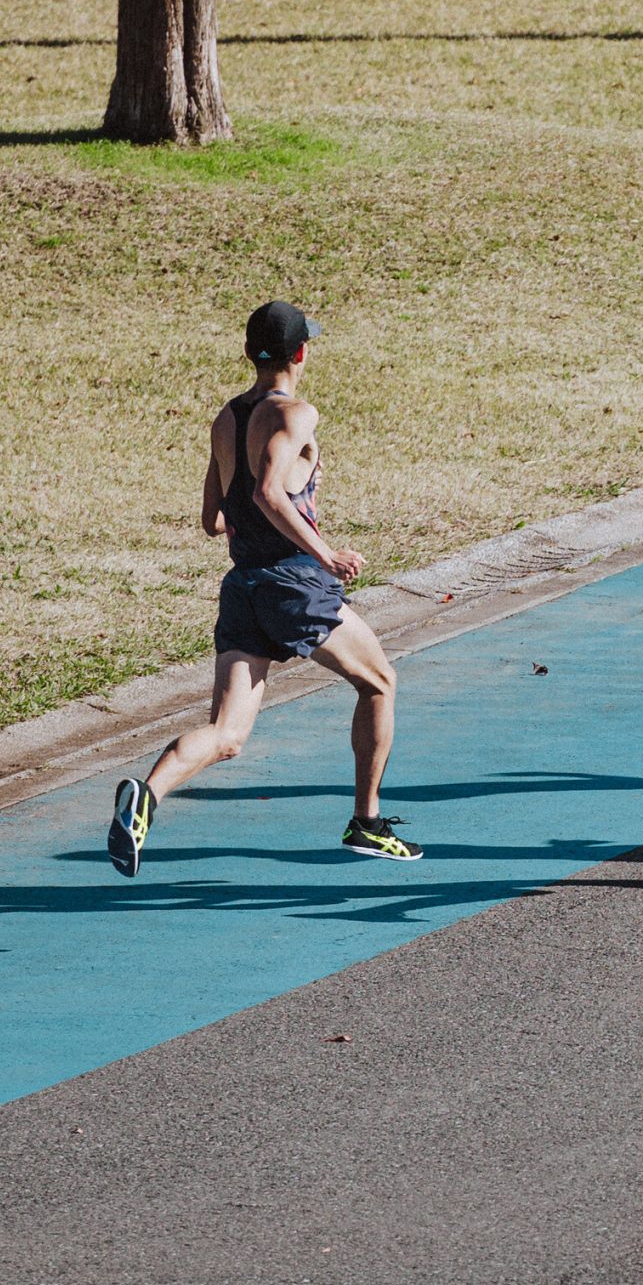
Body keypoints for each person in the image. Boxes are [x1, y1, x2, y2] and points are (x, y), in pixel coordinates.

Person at [106, 299, 420, 876]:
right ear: (301, 353)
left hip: (244, 588)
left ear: (250, 352)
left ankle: (145, 797)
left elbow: (214, 519)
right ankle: (367, 823)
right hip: (293, 583)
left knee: (227, 735)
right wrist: (326, 553)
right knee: (379, 682)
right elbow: (266, 493)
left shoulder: (226, 419)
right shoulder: (296, 413)